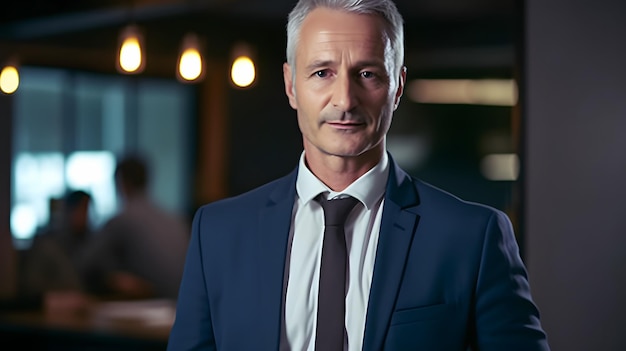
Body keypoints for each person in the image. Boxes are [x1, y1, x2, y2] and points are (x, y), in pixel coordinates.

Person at [167, 0, 550, 350]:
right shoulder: (217, 232)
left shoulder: (472, 237)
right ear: (291, 85)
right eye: (321, 73)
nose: (345, 99)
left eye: (367, 73)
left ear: (397, 87)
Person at [80, 154, 189, 300]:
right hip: (179, 305)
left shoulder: (123, 219)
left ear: (121, 183)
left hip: (149, 305)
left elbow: (85, 264)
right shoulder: (175, 219)